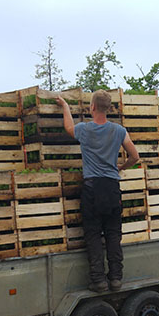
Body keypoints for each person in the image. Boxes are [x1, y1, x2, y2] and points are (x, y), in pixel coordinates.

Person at [58, 91, 140, 293]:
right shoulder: (119, 131)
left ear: (92, 107)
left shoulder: (85, 129)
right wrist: (120, 167)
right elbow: (135, 156)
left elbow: (69, 128)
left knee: (93, 235)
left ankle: (98, 280)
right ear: (108, 108)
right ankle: (116, 279)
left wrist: (65, 107)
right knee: (113, 235)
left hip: (92, 189)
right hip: (112, 188)